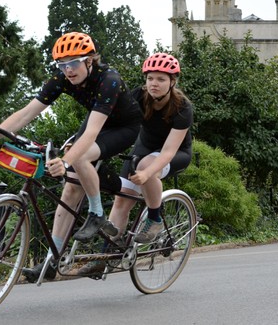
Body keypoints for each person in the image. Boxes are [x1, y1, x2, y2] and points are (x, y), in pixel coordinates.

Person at [0, 32, 142, 282]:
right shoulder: (61, 79)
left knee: (78, 158)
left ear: (90, 61)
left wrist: (65, 161)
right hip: (97, 119)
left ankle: (96, 214)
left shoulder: (109, 80)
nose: (68, 70)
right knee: (70, 189)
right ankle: (53, 261)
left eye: (74, 63)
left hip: (124, 127)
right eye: (62, 65)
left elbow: (93, 132)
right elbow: (26, 113)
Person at [76, 52, 193, 275]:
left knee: (145, 168)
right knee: (121, 201)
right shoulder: (139, 96)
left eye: (160, 79)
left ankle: (155, 218)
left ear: (172, 82)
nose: (154, 83)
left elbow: (168, 152)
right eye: (150, 78)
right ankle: (106, 255)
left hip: (176, 152)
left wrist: (148, 172)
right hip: (143, 148)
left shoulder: (182, 107)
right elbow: (113, 120)